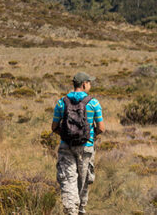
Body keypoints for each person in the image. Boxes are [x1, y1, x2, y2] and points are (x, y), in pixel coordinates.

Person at [52, 71, 105, 215]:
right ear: (84, 84)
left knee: (69, 180)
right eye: (89, 82)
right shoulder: (93, 102)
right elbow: (101, 127)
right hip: (86, 147)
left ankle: (71, 211)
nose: (90, 85)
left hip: (66, 146)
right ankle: (81, 210)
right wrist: (90, 136)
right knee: (83, 181)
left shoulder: (61, 102)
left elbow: (54, 127)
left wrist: (66, 135)